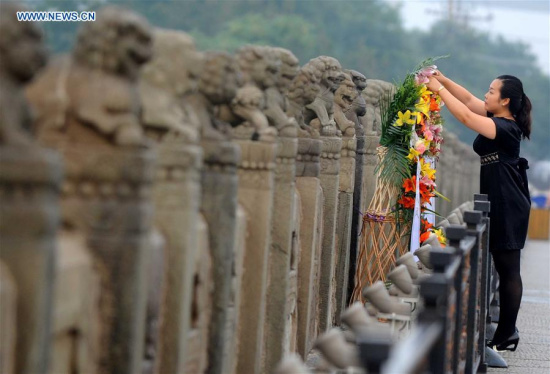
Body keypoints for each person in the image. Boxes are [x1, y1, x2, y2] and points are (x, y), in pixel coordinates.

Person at [426, 72, 531, 353]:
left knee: (509, 269)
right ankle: (504, 331)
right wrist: (443, 79)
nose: (486, 94)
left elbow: (465, 117)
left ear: (505, 100)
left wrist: (438, 91)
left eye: (492, 91)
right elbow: (469, 101)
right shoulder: (495, 117)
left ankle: (507, 333)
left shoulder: (507, 128)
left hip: (508, 203)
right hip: (497, 199)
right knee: (501, 265)